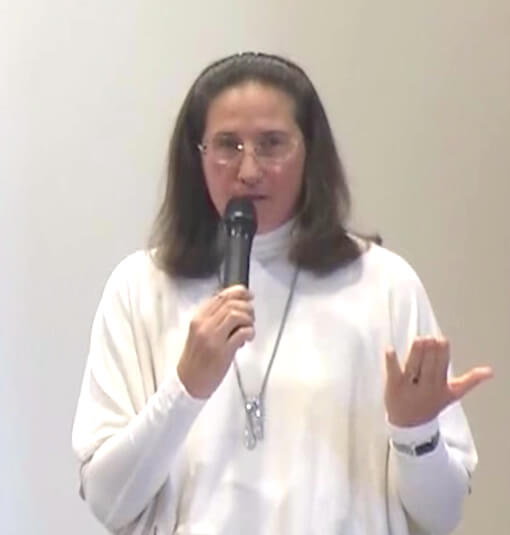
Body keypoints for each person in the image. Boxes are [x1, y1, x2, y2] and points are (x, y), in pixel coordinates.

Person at [72, 52, 492, 535]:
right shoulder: (140, 287)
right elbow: (108, 502)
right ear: (197, 156)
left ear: (309, 153)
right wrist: (184, 387)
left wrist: (415, 432)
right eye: (227, 145)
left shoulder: (383, 283)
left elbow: (441, 515)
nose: (249, 169)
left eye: (271, 144)